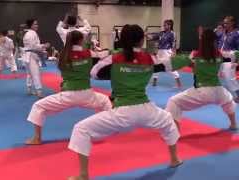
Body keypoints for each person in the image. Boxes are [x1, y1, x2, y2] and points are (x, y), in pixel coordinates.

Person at [68, 25, 182, 180]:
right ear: (142, 41)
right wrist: (190, 59)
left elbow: (94, 73)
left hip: (122, 113)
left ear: (122, 40)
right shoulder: (149, 58)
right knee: (168, 121)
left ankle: (83, 175)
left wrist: (116, 74)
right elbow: (169, 64)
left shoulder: (114, 57)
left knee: (81, 129)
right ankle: (175, 159)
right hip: (146, 110)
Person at [25, 30, 112, 145]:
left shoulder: (62, 55)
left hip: (67, 95)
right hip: (87, 94)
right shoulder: (89, 53)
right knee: (106, 102)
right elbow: (106, 54)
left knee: (38, 106)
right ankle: (104, 130)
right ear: (81, 40)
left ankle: (37, 138)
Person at [165, 28, 237, 131]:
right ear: (215, 41)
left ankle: (175, 131)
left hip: (201, 91)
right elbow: (235, 55)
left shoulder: (195, 55)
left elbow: (173, 65)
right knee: (229, 100)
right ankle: (234, 124)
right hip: (218, 90)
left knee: (173, 102)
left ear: (202, 40)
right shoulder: (220, 55)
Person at [149, 19, 182, 88]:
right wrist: (146, 35)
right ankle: (154, 81)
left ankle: (178, 82)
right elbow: (152, 37)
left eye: (165, 25)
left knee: (170, 67)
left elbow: (173, 44)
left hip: (167, 52)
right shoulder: (161, 33)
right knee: (156, 66)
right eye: (164, 24)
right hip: (160, 52)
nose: (164, 26)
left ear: (169, 26)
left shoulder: (172, 33)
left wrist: (173, 52)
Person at [23, 19, 50, 98]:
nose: (37, 25)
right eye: (35, 24)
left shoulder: (27, 34)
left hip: (27, 55)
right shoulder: (31, 34)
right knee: (35, 73)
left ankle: (29, 89)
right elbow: (33, 46)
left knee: (30, 74)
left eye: (37, 24)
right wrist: (44, 46)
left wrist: (42, 47)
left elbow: (32, 46)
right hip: (31, 55)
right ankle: (39, 92)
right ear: (31, 25)